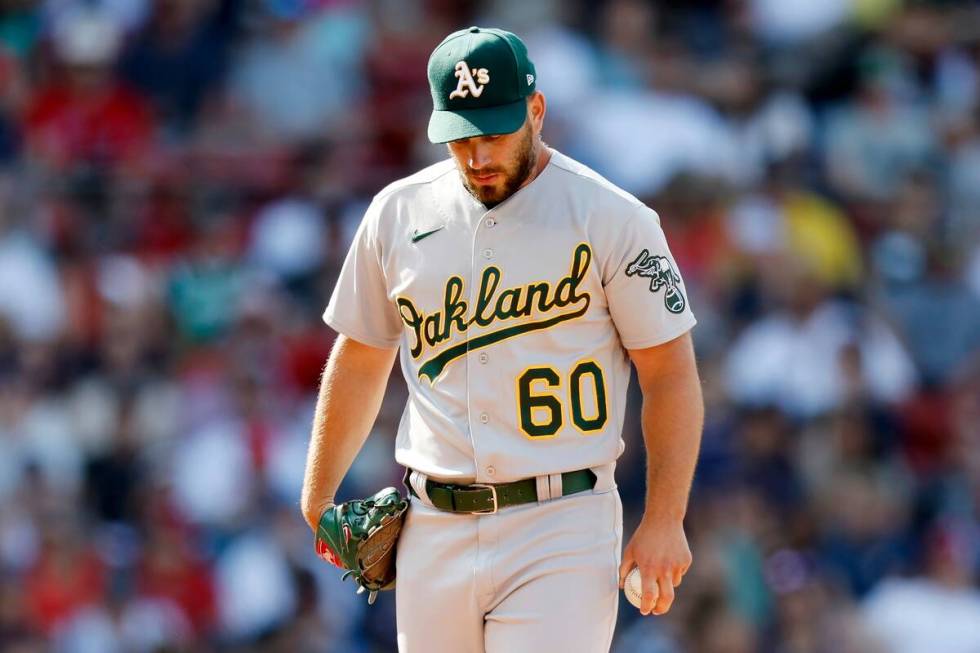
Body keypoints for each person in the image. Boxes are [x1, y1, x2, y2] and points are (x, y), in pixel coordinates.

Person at [300, 26, 704, 652]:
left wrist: (664, 518)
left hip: (561, 519)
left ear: (536, 111)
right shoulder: (398, 213)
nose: (478, 155)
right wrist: (318, 493)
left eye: (494, 132)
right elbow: (360, 357)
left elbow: (670, 373)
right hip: (431, 524)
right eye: (462, 137)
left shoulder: (612, 218)